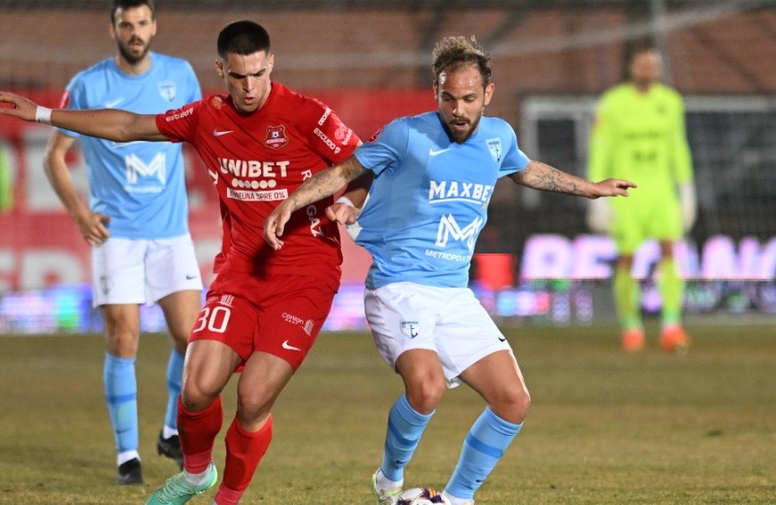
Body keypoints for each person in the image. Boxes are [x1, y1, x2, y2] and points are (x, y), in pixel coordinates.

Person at [0, 19, 363, 505]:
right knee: (195, 389)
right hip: (240, 273)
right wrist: (44, 114)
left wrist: (350, 203)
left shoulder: (306, 114)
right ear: (221, 71)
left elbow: (362, 161)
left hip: (304, 278)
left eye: (257, 74)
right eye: (238, 77)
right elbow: (127, 126)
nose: (249, 87)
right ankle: (194, 475)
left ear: (270, 64)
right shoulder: (206, 117)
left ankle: (227, 497)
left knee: (252, 399)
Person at [264, 36, 635, 505]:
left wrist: (590, 189)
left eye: (468, 99)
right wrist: (295, 203)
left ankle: (457, 499)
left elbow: (526, 171)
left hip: (455, 294)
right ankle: (389, 479)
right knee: (428, 387)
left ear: (488, 95)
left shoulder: (499, 138)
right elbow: (346, 171)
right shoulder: (406, 134)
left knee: (513, 401)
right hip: (399, 287)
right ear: (436, 92)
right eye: (448, 98)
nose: (457, 110)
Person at [42, 0, 203, 485]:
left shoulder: (181, 76)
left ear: (155, 27)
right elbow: (55, 157)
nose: (135, 32)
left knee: (191, 339)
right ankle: (127, 457)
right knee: (123, 336)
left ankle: (171, 431)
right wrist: (78, 212)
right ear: (112, 28)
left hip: (171, 231)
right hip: (118, 237)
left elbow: (203, 135)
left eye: (141, 23)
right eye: (126, 24)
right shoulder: (88, 84)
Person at [586, 46, 695, 354]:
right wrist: (595, 194)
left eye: (653, 64)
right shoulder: (612, 103)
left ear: (659, 69)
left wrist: (686, 189)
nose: (647, 69)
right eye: (642, 63)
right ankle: (631, 327)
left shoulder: (671, 102)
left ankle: (672, 325)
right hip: (626, 191)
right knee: (627, 259)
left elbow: (678, 146)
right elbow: (601, 148)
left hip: (661, 190)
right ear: (632, 67)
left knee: (670, 250)